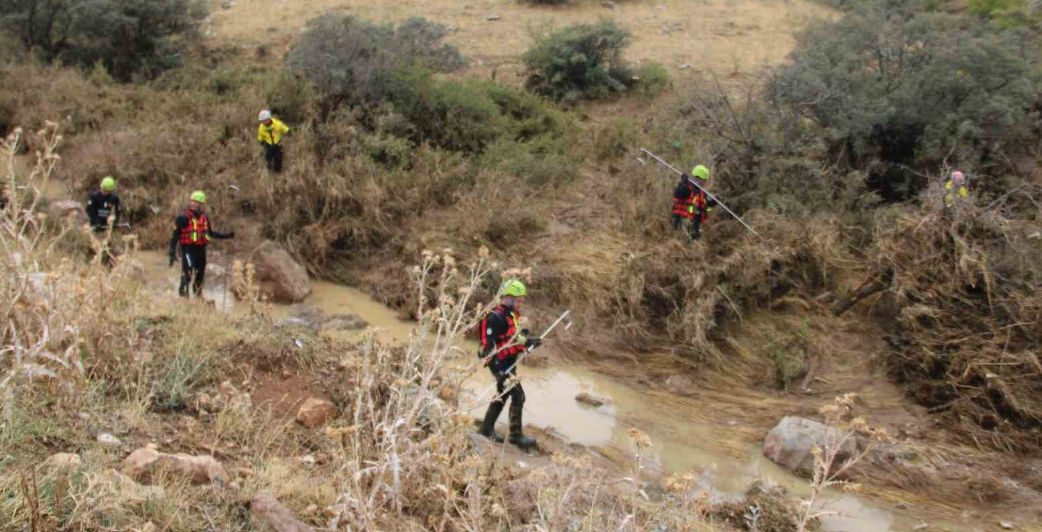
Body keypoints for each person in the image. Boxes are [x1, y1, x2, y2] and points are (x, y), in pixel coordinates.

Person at [477, 279, 542, 450]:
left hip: (509, 362)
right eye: (518, 300)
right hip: (499, 363)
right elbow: (488, 346)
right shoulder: (494, 316)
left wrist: (528, 343)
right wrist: (497, 368)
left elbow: (513, 340)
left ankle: (486, 428)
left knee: (503, 394)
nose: (520, 304)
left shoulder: (511, 315)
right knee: (518, 396)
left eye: (521, 300)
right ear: (509, 298)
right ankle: (515, 436)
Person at [168, 191, 235, 298]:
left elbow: (210, 233)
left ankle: (198, 297)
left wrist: (227, 236)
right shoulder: (183, 217)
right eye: (192, 201)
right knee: (187, 274)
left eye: (196, 202)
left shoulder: (205, 218)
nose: (193, 204)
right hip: (187, 250)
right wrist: (171, 253)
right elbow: (175, 236)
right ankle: (183, 298)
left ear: (201, 204)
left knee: (200, 276)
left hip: (200, 250)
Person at [671, 165, 716, 241]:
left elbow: (708, 202)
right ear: (701, 179)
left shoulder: (700, 192)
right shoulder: (686, 187)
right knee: (684, 241)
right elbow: (678, 193)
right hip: (682, 221)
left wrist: (716, 200)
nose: (706, 182)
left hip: (694, 223)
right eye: (705, 180)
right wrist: (684, 183)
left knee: (694, 240)